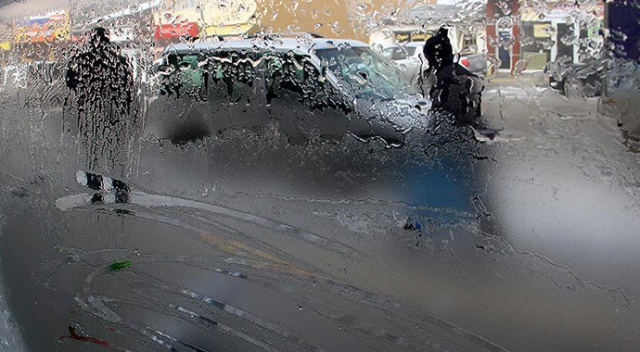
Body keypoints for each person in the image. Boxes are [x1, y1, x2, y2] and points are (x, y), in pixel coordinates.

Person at [65, 27, 136, 203]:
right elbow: (127, 85)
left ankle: (96, 189)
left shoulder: (83, 60)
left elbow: (70, 79)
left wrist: (82, 94)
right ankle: (119, 188)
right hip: (113, 110)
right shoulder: (118, 60)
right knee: (113, 150)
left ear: (92, 40)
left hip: (92, 110)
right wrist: (125, 107)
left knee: (93, 149)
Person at [422, 27, 483, 126]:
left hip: (455, 134)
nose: (428, 63)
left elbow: (442, 117)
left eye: (428, 59)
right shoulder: (466, 75)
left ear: (434, 57)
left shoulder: (443, 78)